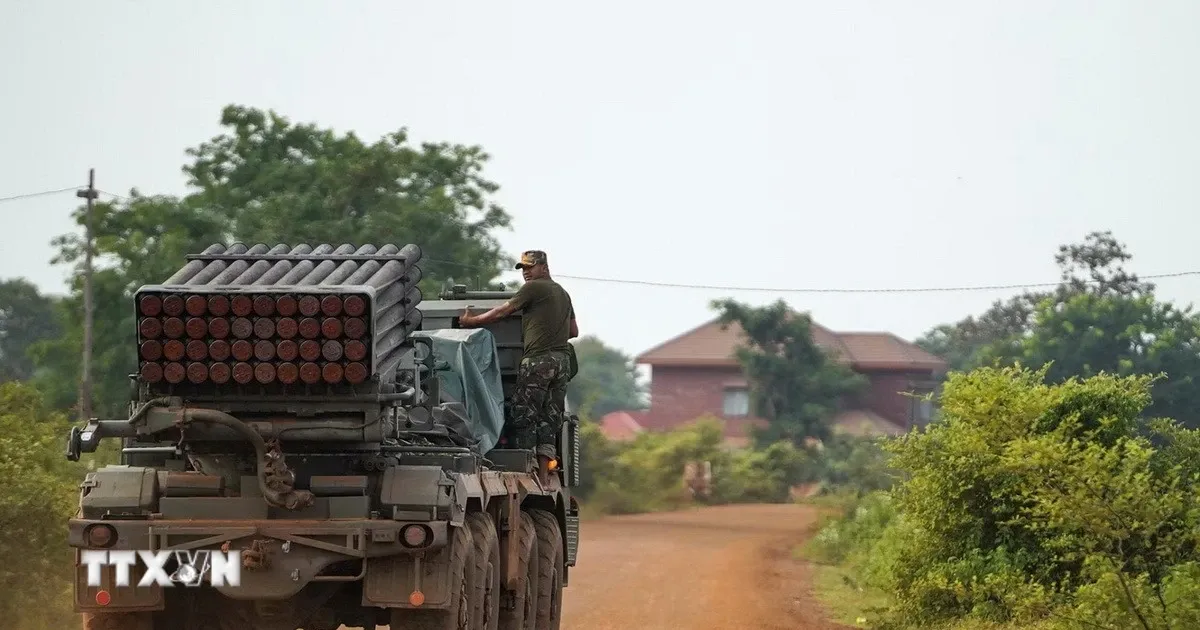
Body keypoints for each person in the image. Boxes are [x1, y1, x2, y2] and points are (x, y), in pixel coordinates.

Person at [458, 250, 578, 480]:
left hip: (538, 360)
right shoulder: (563, 293)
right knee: (549, 418)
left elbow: (504, 311)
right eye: (522, 268)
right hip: (561, 362)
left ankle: (526, 469)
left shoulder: (534, 288)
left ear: (544, 267)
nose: (526, 273)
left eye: (530, 267)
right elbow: (573, 331)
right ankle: (543, 474)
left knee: (524, 414)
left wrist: (471, 321)